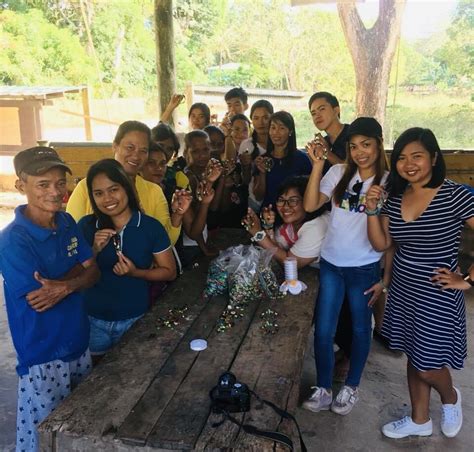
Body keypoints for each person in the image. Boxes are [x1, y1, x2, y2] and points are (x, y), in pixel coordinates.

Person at [365, 127, 474, 439]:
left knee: (427, 364)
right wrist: (372, 210)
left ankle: (451, 398)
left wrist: (466, 279)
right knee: (414, 355)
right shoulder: (396, 197)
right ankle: (419, 419)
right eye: (401, 158)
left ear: (434, 158)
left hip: (437, 295)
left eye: (417, 156)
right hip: (403, 292)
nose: (408, 163)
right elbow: (381, 244)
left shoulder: (454, 194)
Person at [0, 147, 100, 452]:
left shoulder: (67, 222)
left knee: (78, 429)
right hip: (43, 354)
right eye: (43, 184)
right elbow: (39, 299)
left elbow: (94, 272)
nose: (55, 192)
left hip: (78, 343)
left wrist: (65, 285)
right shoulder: (12, 239)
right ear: (21, 186)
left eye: (60, 183)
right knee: (43, 437)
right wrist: (75, 277)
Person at [302, 117, 389, 415]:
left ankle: (351, 387)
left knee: (362, 329)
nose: (360, 152)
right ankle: (324, 387)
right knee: (323, 330)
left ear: (379, 143)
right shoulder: (339, 172)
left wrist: (385, 279)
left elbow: (390, 241)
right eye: (353, 146)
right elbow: (311, 205)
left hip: (364, 268)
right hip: (331, 264)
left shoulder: (389, 183)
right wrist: (317, 165)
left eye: (366, 144)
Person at [78, 159, 178, 359]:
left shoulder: (150, 227)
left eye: (113, 189)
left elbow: (170, 272)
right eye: (98, 193)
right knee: (93, 383)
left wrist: (136, 273)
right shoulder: (87, 226)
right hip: (92, 320)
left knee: (132, 377)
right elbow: (75, 274)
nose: (107, 198)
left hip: (134, 319)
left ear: (127, 188)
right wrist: (94, 250)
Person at [66, 120, 183, 246]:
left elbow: (165, 243)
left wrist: (178, 214)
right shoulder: (85, 187)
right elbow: (71, 239)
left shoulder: (154, 191)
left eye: (143, 150)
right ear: (115, 146)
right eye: (130, 148)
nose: (136, 156)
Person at [242, 176, 329, 267]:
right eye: (281, 200)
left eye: (293, 200)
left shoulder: (316, 227)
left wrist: (257, 234)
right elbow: (276, 250)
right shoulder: (291, 225)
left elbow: (291, 264)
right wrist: (268, 226)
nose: (285, 206)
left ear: (308, 202)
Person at [252, 111, 312, 208]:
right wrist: (262, 173)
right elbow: (259, 196)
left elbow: (310, 192)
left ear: (290, 132)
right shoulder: (263, 160)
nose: (276, 132)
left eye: (282, 128)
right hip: (269, 215)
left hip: (293, 214)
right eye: (273, 127)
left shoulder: (302, 159)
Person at [308, 91, 349, 173]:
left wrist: (327, 153)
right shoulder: (323, 143)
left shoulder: (353, 134)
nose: (317, 116)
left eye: (322, 109)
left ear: (336, 110)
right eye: (313, 113)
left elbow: (354, 174)